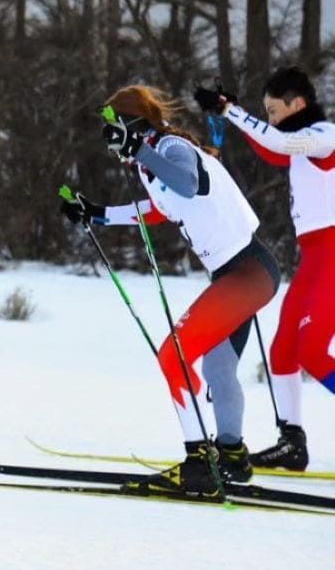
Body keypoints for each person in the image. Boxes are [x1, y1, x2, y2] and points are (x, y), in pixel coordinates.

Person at [60, 85, 280, 495]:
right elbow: (160, 209)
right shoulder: (150, 163)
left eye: (114, 134)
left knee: (173, 355)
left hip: (248, 272)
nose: (112, 147)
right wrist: (98, 215)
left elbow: (189, 184)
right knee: (216, 369)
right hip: (238, 276)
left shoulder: (172, 147)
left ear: (132, 125)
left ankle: (199, 461)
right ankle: (232, 457)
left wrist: (140, 151)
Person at [197, 66, 335, 472]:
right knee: (283, 350)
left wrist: (231, 110)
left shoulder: (325, 136)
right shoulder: (299, 141)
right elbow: (273, 148)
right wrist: (230, 116)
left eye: (274, 110)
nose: (271, 118)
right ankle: (292, 443)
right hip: (314, 257)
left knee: (311, 350)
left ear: (297, 104)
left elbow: (276, 140)